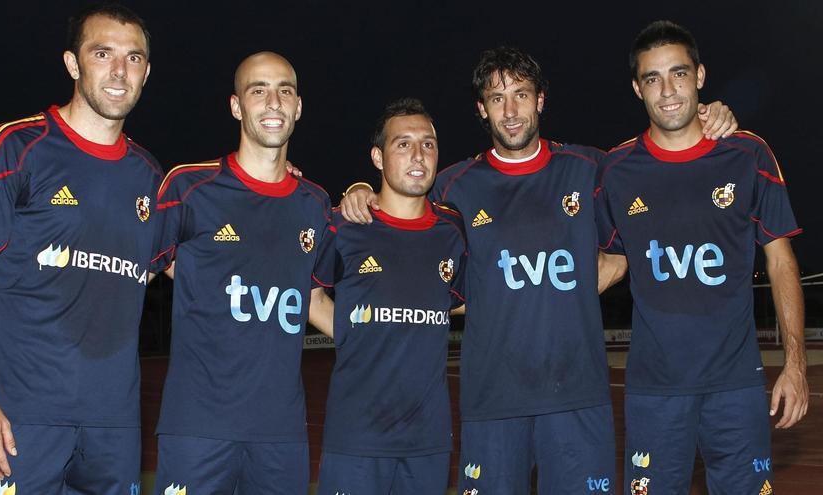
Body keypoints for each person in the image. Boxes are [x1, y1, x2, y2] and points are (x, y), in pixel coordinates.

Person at [340, 47, 738, 494]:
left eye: (521, 95)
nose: (510, 111)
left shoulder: (590, 169)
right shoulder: (453, 186)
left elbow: (638, 222)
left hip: (577, 399)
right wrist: (360, 189)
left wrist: (707, 116)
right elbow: (404, 213)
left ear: (541, 100)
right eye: (496, 98)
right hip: (492, 403)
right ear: (481, 109)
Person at [0, 4, 160, 494]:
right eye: (102, 53)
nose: (119, 72)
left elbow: (205, 254)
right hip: (23, 419)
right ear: (72, 63)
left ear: (146, 71)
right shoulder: (14, 148)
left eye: (134, 58)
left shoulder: (150, 177)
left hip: (115, 426)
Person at [595, 20, 808, 495]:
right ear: (637, 88)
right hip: (654, 390)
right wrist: (522, 296)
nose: (668, 90)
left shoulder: (748, 155)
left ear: (700, 76)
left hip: (736, 386)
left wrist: (795, 365)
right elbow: (611, 263)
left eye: (679, 74)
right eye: (653, 78)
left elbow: (780, 261)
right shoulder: (615, 170)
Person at [151, 51, 333, 495]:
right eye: (258, 90)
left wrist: (383, 346)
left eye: (284, 91)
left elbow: (314, 301)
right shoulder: (188, 187)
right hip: (197, 428)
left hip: (281, 434)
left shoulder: (314, 204)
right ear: (236, 106)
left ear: (298, 107)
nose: (273, 102)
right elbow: (136, 271)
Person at [312, 98, 467, 494]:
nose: (418, 155)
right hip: (357, 438)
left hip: (428, 443)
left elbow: (465, 300)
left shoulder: (452, 230)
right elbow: (312, 297)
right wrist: (356, 333)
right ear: (378, 157)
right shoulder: (344, 224)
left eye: (428, 144)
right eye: (403, 144)